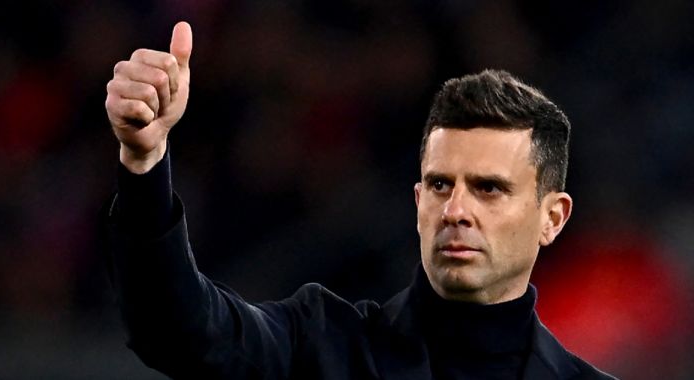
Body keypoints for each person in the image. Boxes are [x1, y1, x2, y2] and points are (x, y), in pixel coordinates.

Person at [103, 22, 617, 379]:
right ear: (418, 200)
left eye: (489, 188)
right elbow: (175, 330)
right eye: (440, 185)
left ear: (552, 217)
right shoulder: (322, 349)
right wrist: (144, 163)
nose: (456, 210)